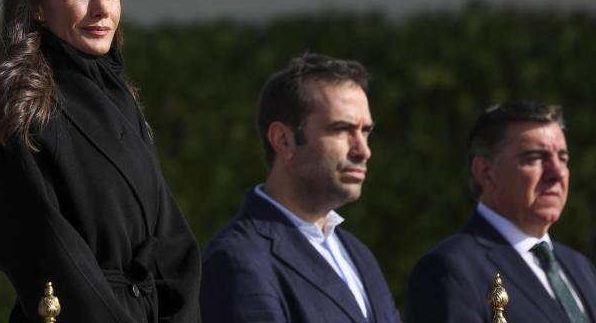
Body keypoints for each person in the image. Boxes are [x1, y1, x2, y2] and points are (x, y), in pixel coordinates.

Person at [0, 0, 202, 323]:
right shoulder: (20, 106)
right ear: (37, 6)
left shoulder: (121, 98)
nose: (103, 9)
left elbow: (172, 242)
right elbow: (48, 250)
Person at [200, 54, 400, 323]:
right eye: (342, 129)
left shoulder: (359, 254)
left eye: (365, 132)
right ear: (283, 140)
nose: (363, 150)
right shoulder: (238, 259)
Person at [405, 101, 596, 322]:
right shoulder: (450, 270)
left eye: (563, 158)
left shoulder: (580, 266)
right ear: (485, 172)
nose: (556, 173)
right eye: (534, 157)